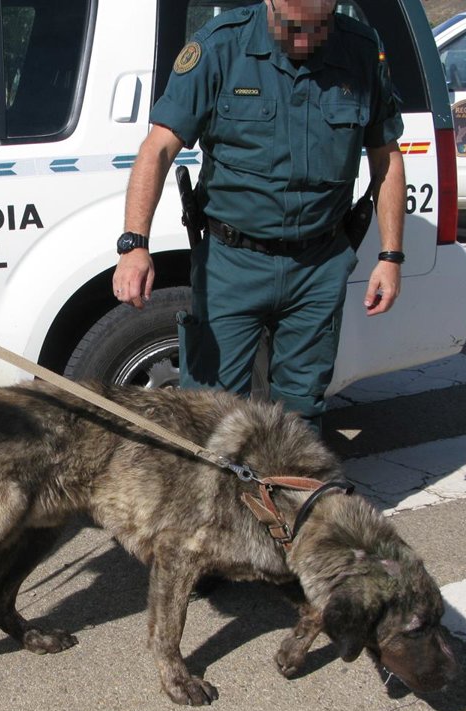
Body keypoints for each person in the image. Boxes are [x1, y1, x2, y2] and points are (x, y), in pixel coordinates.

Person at [112, 0, 406, 427]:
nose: (305, 41)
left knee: (300, 416)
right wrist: (134, 244)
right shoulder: (220, 47)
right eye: (292, 28)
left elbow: (386, 157)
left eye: (318, 27)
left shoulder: (360, 50)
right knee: (209, 414)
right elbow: (157, 148)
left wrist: (391, 256)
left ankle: (285, 474)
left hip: (318, 266)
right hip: (233, 263)